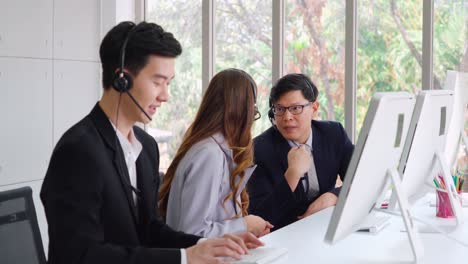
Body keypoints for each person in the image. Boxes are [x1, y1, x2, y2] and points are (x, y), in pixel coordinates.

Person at [40, 21, 262, 264]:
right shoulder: (78, 151)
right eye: (157, 82)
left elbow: (150, 230)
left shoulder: (145, 148)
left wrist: (206, 246)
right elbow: (80, 255)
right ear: (121, 80)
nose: (165, 95)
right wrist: (183, 258)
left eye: (168, 83)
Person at [159, 69, 273, 238]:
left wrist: (244, 233)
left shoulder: (214, 149)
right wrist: (246, 225)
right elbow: (193, 233)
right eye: (252, 111)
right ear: (241, 111)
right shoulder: (209, 154)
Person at [247, 73, 354, 230]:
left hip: (326, 226)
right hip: (284, 235)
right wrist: (293, 174)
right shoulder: (259, 149)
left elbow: (360, 180)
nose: (287, 117)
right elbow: (261, 217)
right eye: (280, 109)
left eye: (296, 108)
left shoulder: (333, 133)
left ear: (314, 108)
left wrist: (332, 196)